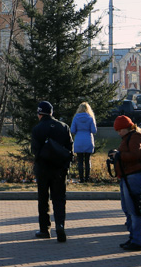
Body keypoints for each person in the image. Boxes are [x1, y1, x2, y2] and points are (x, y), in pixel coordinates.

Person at [30, 101, 73, 241]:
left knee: (43, 199)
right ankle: (60, 225)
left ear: (39, 113)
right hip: (60, 170)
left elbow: (35, 151)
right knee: (59, 199)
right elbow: (70, 149)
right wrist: (65, 165)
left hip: (43, 169)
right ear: (51, 113)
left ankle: (44, 229)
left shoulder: (37, 129)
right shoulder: (63, 127)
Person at [110, 115, 141, 251]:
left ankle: (138, 240)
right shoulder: (128, 137)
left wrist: (119, 155)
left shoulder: (135, 137)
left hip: (133, 176)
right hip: (127, 176)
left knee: (134, 210)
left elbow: (135, 155)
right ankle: (133, 238)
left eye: (120, 130)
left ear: (128, 127)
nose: (119, 133)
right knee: (129, 209)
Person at [70, 102, 98, 183]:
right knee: (87, 160)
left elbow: (72, 130)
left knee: (80, 160)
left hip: (79, 140)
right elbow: (94, 130)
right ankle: (87, 178)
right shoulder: (90, 118)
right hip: (88, 140)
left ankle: (81, 178)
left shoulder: (76, 118)